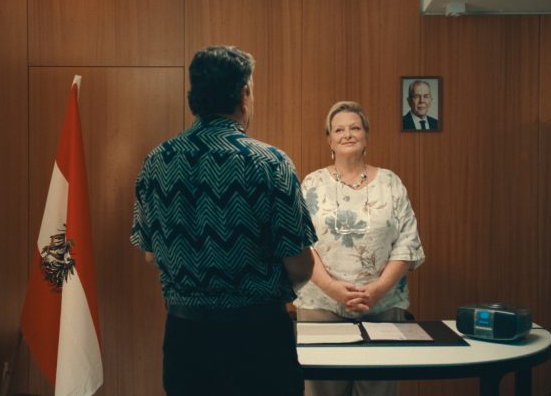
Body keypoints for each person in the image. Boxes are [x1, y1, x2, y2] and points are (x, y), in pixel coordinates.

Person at [130, 45, 316, 396]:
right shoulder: (270, 163)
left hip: (186, 340)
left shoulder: (157, 161)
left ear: (195, 96)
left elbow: (150, 254)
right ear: (244, 94)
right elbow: (301, 264)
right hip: (259, 340)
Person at [295, 101, 424, 396]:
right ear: (329, 140)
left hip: (383, 305)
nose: (347, 134)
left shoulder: (391, 182)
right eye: (339, 129)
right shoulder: (312, 183)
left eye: (355, 128)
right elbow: (301, 242)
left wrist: (377, 289)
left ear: (366, 135)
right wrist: (333, 289)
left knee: (377, 390)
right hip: (321, 305)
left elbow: (407, 241)